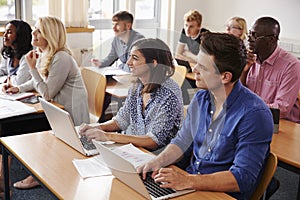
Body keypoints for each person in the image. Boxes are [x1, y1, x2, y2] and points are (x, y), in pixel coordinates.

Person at [138, 33, 274, 200]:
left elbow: (242, 178)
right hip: (190, 185)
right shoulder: (201, 98)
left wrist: (188, 180)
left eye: (202, 67)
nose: (194, 69)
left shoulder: (255, 115)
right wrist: (157, 162)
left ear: (225, 77)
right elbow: (182, 141)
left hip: (220, 194)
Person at [3, 16, 90, 190]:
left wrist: (32, 67)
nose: (33, 32)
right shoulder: (47, 54)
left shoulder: (61, 58)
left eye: (39, 30)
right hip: (55, 111)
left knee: (12, 127)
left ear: (50, 34)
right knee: (8, 127)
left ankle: (38, 173)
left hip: (68, 116)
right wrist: (18, 89)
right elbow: (39, 82)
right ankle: (18, 171)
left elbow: (47, 93)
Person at [80, 38, 184, 151]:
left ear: (153, 63)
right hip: (133, 150)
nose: (128, 62)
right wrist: (97, 127)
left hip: (157, 157)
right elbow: (122, 120)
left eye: (135, 58)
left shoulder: (169, 94)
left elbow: (154, 141)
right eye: (129, 56)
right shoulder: (136, 87)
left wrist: (108, 136)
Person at [241, 16, 300, 123]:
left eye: (255, 36)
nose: (249, 38)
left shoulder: (291, 65)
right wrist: (244, 71)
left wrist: (246, 109)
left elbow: (281, 109)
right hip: (252, 119)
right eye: (249, 34)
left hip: (281, 124)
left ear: (271, 39)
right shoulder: (250, 59)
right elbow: (238, 94)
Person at [0, 20, 33, 85]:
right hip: (13, 91)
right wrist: (7, 79)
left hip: (28, 92)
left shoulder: (29, 56)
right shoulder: (8, 52)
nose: (4, 35)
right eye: (5, 32)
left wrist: (8, 78)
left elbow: (19, 82)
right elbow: (2, 70)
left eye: (9, 32)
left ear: (20, 35)